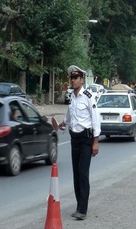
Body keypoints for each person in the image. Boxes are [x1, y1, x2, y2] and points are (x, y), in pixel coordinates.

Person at [58, 65, 101, 220]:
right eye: (72, 78)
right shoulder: (72, 97)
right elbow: (70, 116)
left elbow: (96, 119)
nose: (74, 81)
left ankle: (83, 210)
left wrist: (95, 142)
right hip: (74, 139)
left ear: (82, 80)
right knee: (76, 174)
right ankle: (78, 206)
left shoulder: (88, 96)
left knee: (83, 173)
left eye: (76, 78)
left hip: (86, 140)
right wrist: (62, 123)